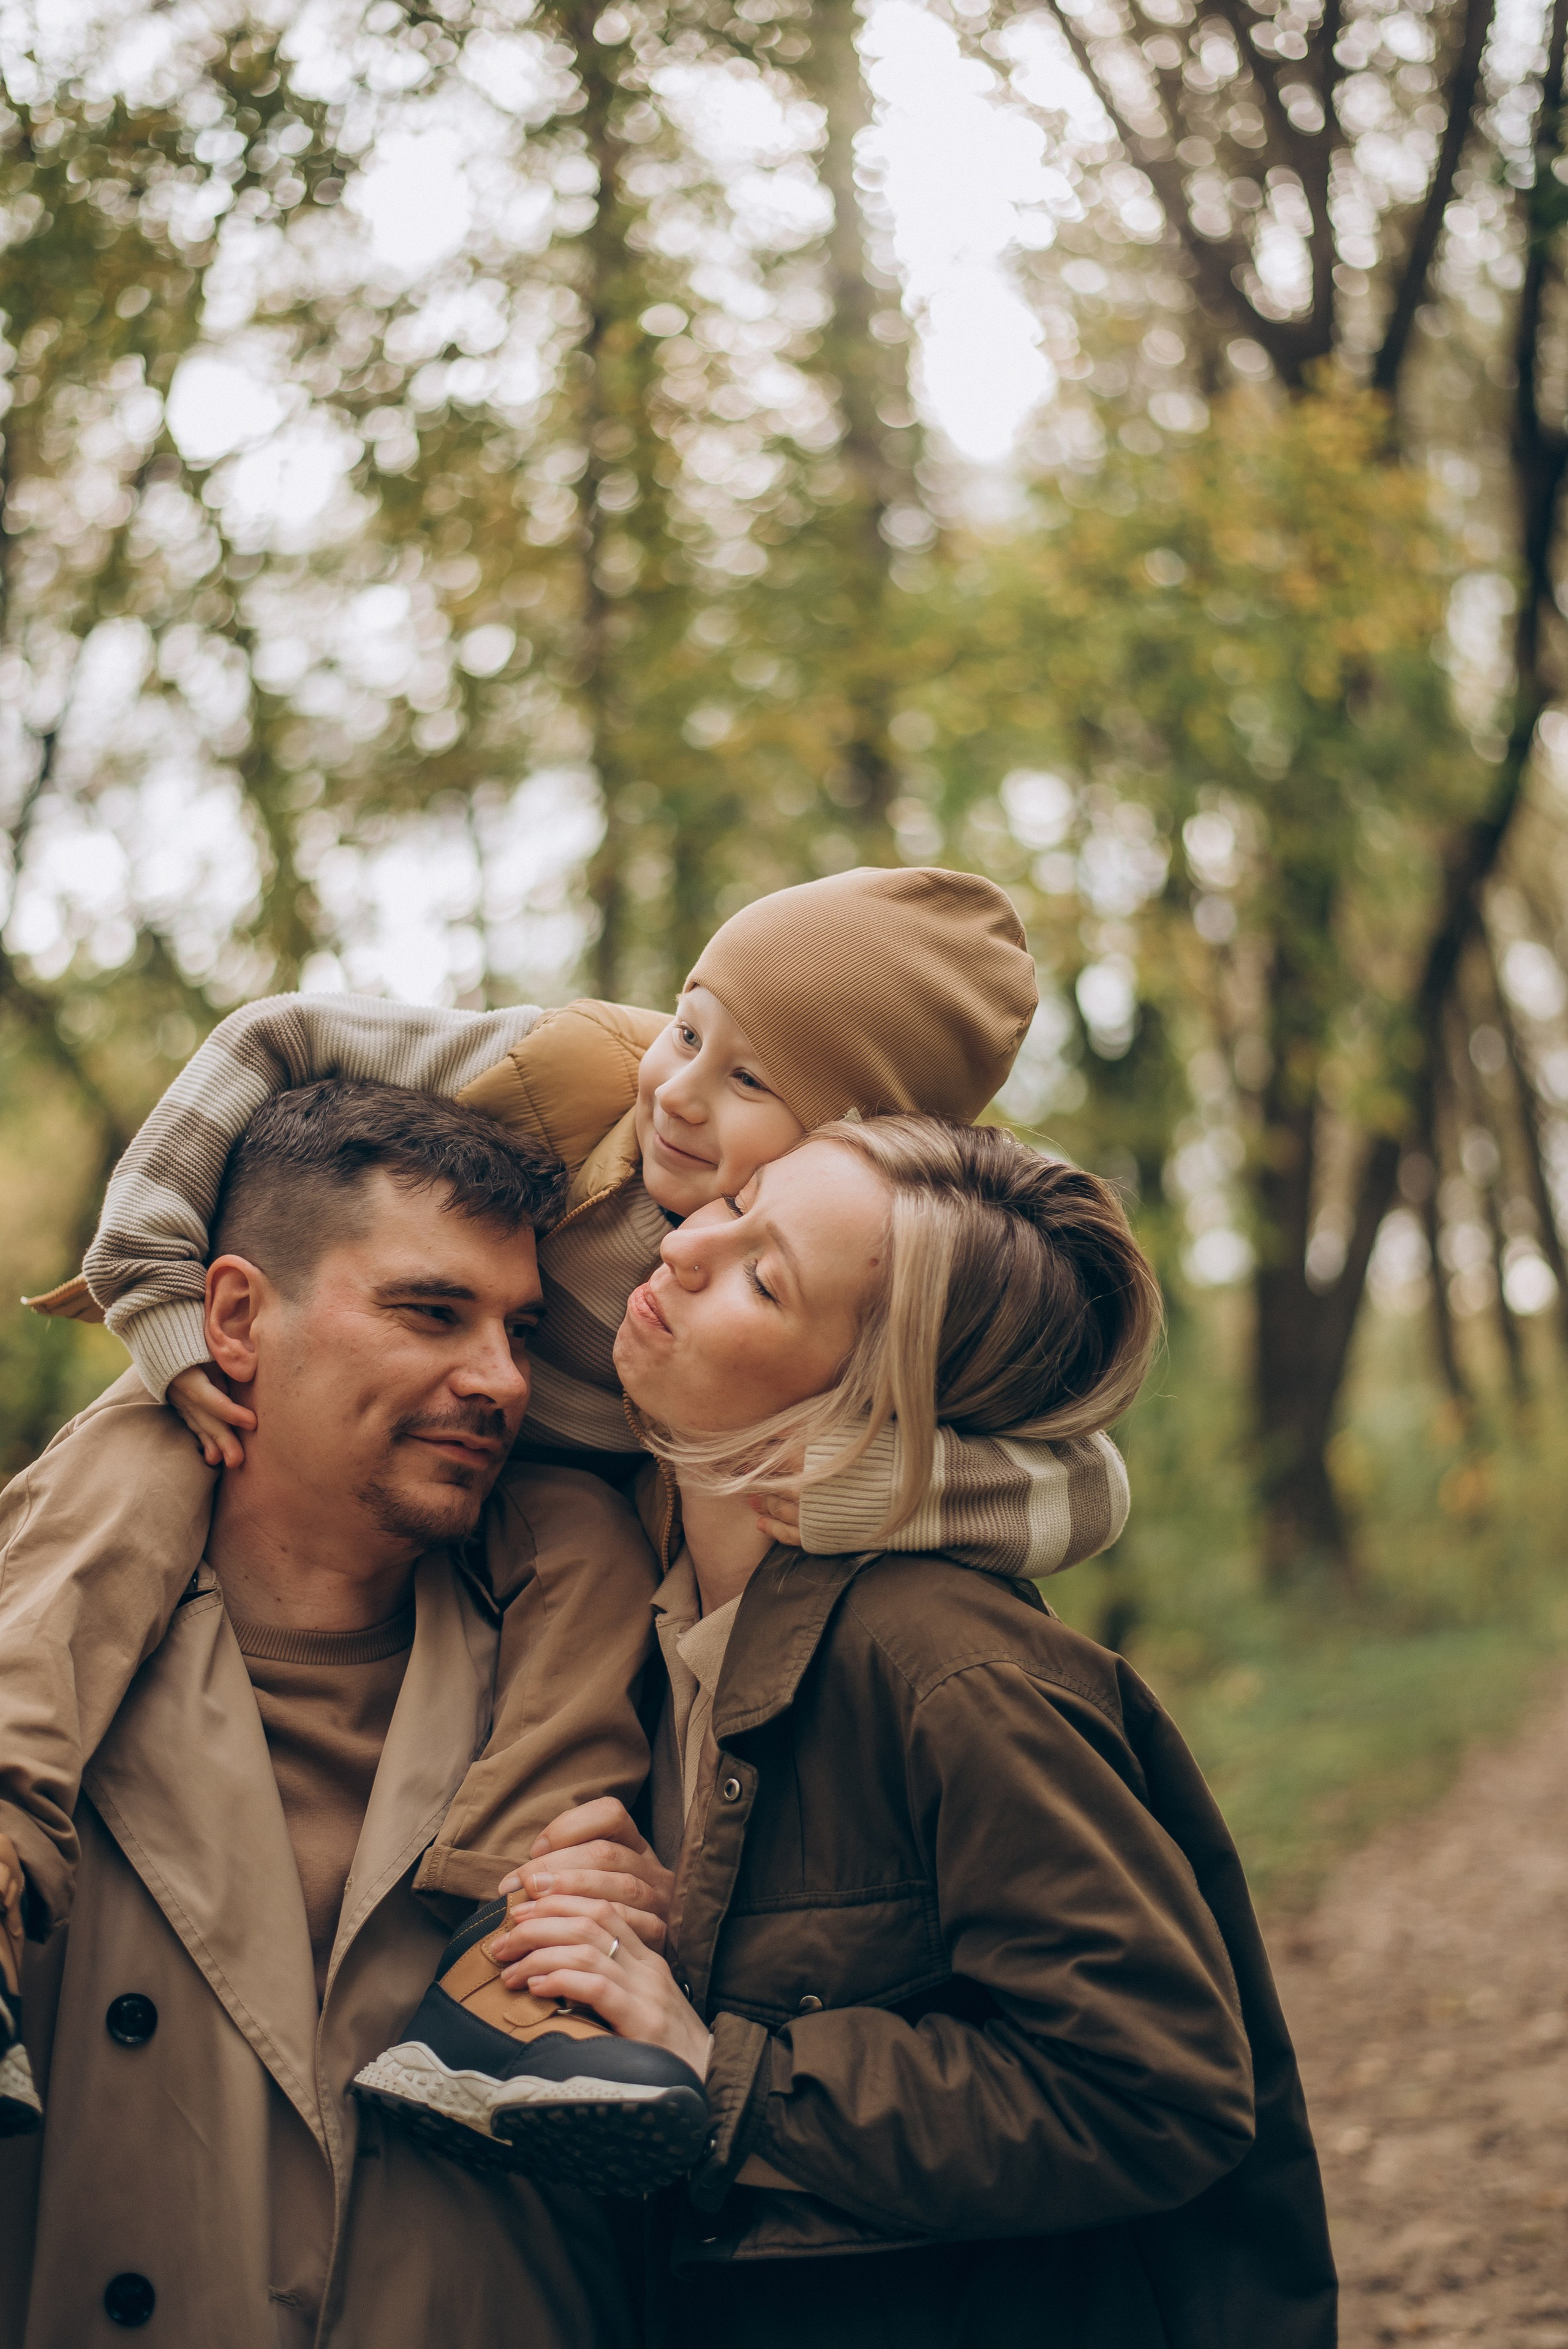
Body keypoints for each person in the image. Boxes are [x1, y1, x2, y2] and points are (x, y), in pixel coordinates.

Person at [9, 866, 1131, 2165]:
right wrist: (150, 1271)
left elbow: (1087, 1479)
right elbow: (275, 1036)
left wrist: (839, 1478)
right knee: (137, 1459)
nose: (681, 1088)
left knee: (595, 1576)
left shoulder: (889, 1241)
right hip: (291, 1417)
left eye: (750, 1083)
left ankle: (509, 1943)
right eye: (691, 1025)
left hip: (554, 1488)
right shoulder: (582, 1061)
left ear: (855, 1142)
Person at [489, 1116, 1339, 2346]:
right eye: (732, 1203)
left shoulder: (949, 1668)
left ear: (861, 1408)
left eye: (763, 1277)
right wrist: (667, 1933)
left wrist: (717, 2060)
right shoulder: (649, 1611)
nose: (685, 1251)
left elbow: (1152, 2085)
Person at [0, 1080, 669, 2348]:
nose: (501, 1381)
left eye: (520, 1332)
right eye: (430, 1311)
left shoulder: (619, 1676)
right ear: (238, 1315)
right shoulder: (43, 1647)